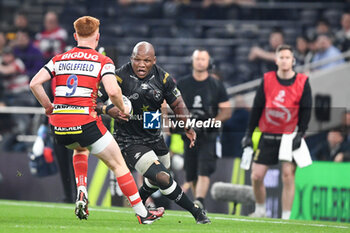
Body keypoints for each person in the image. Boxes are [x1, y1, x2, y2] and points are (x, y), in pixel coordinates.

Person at [29, 16, 163, 224]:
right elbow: (113, 90)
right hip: (85, 122)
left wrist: (48, 106)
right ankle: (143, 213)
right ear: (97, 37)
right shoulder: (103, 61)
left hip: (59, 127)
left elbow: (35, 83)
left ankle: (81, 190)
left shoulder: (59, 59)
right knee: (119, 165)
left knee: (79, 148)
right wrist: (122, 108)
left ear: (75, 36)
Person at [96, 41, 210, 224]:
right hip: (129, 140)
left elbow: (178, 104)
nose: (141, 64)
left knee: (156, 179)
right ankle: (197, 212)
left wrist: (187, 126)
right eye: (137, 60)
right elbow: (95, 101)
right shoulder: (118, 77)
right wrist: (107, 110)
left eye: (147, 61)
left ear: (154, 60)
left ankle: (138, 201)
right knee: (164, 178)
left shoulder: (163, 78)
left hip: (154, 138)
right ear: (131, 58)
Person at [241, 44, 312, 220]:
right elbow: (257, 108)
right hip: (268, 135)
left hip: (289, 136)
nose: (285, 60)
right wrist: (249, 133)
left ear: (293, 60)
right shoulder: (267, 79)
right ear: (276, 60)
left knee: (288, 176)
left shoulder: (302, 81)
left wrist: (300, 133)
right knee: (256, 176)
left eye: (288, 57)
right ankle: (260, 209)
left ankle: (286, 217)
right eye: (281, 57)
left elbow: (306, 110)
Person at [176, 49, 231, 210]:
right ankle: (198, 202)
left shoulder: (216, 85)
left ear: (208, 62)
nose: (200, 62)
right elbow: (173, 106)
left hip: (208, 135)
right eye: (197, 59)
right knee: (191, 173)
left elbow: (226, 110)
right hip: (188, 134)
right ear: (192, 61)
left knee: (203, 170)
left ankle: (199, 200)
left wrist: (213, 122)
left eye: (203, 59)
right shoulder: (183, 83)